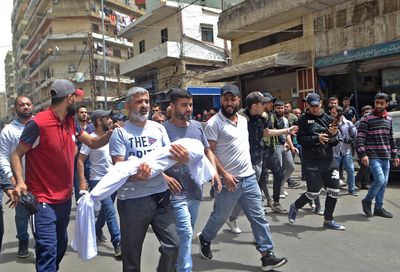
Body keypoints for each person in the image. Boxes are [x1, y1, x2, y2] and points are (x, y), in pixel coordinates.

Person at [10, 79, 115, 272]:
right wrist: (20, 182)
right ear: (69, 98)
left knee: (59, 247)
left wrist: (109, 135)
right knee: (48, 250)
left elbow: (92, 143)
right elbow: (16, 154)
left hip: (65, 200)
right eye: (76, 97)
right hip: (42, 201)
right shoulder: (38, 123)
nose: (77, 101)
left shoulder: (71, 122)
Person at [197, 84, 288, 271]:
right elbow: (210, 153)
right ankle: (205, 238)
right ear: (221, 100)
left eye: (233, 99)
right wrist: (223, 175)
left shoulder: (244, 120)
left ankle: (266, 255)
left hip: (249, 177)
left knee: (258, 216)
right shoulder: (214, 123)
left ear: (238, 100)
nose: (229, 103)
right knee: (219, 217)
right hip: (229, 181)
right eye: (226, 99)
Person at [109, 87, 189, 272]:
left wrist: (182, 160)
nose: (144, 105)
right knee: (131, 259)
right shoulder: (120, 133)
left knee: (173, 245)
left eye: (146, 101)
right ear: (128, 106)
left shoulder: (159, 128)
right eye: (139, 102)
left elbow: (170, 161)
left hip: (161, 197)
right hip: (132, 202)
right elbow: (119, 169)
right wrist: (138, 176)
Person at [163, 89, 221, 272]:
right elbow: (154, 160)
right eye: (184, 105)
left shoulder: (196, 126)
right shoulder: (162, 129)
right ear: (173, 106)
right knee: (186, 233)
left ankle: (171, 261)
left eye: (190, 105)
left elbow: (207, 151)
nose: (188, 109)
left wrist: (214, 172)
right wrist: (164, 177)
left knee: (183, 235)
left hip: (196, 190)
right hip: (175, 192)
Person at [226, 92, 298, 233]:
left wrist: (287, 130)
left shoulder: (262, 117)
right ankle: (261, 236)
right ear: (254, 106)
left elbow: (267, 133)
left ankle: (231, 218)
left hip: (257, 160)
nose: (266, 105)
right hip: (244, 163)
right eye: (263, 103)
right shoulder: (240, 119)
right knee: (252, 198)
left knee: (244, 195)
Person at [288, 93, 346, 231]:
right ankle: (295, 206)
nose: (315, 108)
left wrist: (332, 135)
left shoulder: (329, 118)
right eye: (312, 106)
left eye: (317, 105)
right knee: (313, 193)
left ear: (321, 103)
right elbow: (300, 140)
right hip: (311, 161)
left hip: (329, 160)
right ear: (307, 105)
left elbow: (336, 141)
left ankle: (328, 220)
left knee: (334, 190)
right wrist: (316, 138)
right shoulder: (302, 120)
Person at [77, 109, 121, 257]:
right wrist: (82, 181)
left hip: (113, 179)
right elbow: (80, 160)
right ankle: (118, 243)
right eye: (107, 118)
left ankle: (96, 229)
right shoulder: (91, 139)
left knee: (104, 211)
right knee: (109, 210)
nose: (110, 120)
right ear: (98, 121)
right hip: (98, 180)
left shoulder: (113, 136)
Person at [0, 96, 34, 258]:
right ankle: (23, 240)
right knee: (21, 216)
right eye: (22, 105)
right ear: (15, 109)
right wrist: (12, 181)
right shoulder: (9, 131)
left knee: (42, 215)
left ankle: (42, 242)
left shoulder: (40, 126)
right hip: (19, 183)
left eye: (28, 104)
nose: (26, 107)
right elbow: (3, 157)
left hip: (41, 182)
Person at [357, 93, 399, 218]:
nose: (379, 105)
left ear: (387, 104)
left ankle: (378, 208)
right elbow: (360, 138)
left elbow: (391, 139)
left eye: (382, 103)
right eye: (377, 103)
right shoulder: (366, 118)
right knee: (380, 180)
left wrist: (395, 155)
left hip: (385, 155)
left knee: (384, 182)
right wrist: (363, 154)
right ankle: (367, 200)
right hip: (373, 155)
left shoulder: (389, 119)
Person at [330, 106, 358, 196]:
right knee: (334, 172)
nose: (332, 115)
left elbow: (355, 134)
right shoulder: (330, 123)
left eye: (334, 113)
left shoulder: (348, 123)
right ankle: (334, 189)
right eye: (332, 113)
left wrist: (350, 139)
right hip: (334, 151)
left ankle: (352, 189)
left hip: (346, 151)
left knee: (350, 170)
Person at [274, 100, 298, 196]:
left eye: (282, 108)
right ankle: (278, 190)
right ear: (274, 108)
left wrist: (292, 147)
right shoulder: (272, 119)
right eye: (278, 108)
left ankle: (281, 185)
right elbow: (273, 133)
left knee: (291, 167)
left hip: (285, 146)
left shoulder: (285, 120)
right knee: (278, 169)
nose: (280, 110)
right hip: (276, 146)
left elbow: (287, 134)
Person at [73, 106, 94, 203]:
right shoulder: (74, 128)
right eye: (81, 112)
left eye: (85, 112)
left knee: (94, 186)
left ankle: (94, 207)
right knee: (79, 188)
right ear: (77, 114)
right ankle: (81, 208)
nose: (84, 114)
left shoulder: (92, 128)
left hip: (90, 161)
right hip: (77, 162)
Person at [355, 105, 373, 190]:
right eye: (366, 112)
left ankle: (364, 183)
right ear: (362, 113)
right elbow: (357, 137)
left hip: (370, 147)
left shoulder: (373, 121)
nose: (368, 114)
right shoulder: (359, 123)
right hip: (361, 148)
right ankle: (357, 179)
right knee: (365, 165)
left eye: (370, 112)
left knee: (369, 166)